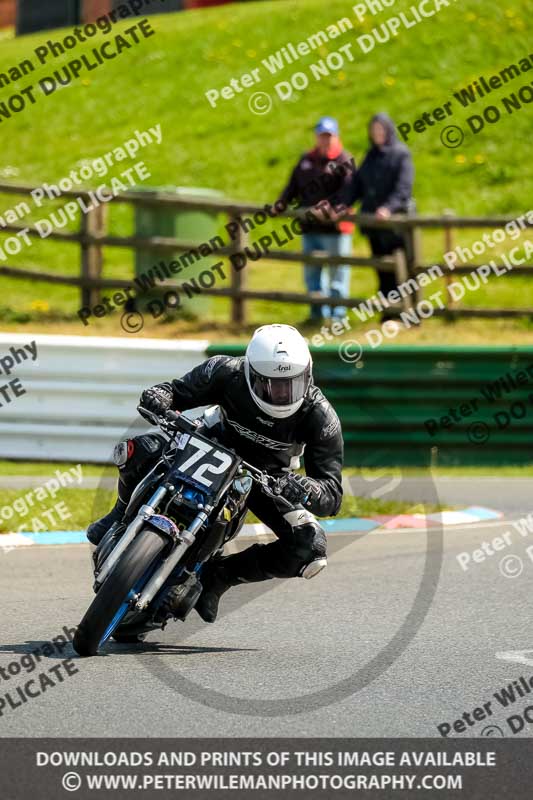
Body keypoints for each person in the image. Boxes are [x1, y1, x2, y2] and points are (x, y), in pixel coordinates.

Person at [87, 324, 344, 623]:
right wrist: (158, 396)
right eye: (269, 384)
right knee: (139, 448)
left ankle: (219, 577)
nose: (280, 394)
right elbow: (175, 392)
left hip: (266, 477)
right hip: (208, 442)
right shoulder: (224, 370)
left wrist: (304, 488)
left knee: (311, 548)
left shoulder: (321, 416)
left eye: (290, 384)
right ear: (250, 374)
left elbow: (332, 493)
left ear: (308, 375)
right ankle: (119, 515)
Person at [276, 116, 356, 323]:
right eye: (322, 135)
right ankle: (317, 314)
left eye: (329, 136)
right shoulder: (306, 160)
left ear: (336, 136)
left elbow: (349, 192)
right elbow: (292, 186)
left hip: (335, 230)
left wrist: (330, 209)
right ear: (316, 136)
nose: (325, 140)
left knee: (337, 275)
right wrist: (281, 203)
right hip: (310, 227)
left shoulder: (344, 161)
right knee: (312, 274)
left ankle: (338, 317)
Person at [338, 112, 414, 319]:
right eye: (374, 131)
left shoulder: (401, 154)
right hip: (375, 226)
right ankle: (388, 314)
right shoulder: (370, 156)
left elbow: (404, 189)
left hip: (396, 226)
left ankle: (406, 315)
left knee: (402, 270)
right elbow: (357, 186)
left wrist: (388, 208)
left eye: (380, 130)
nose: (377, 134)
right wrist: (343, 205)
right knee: (382, 271)